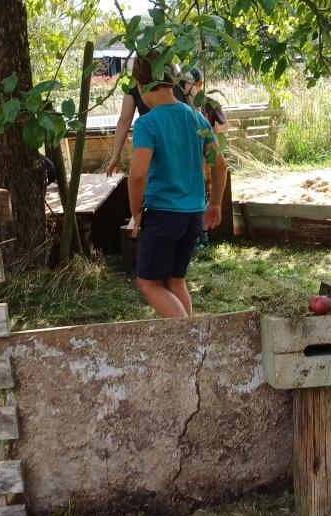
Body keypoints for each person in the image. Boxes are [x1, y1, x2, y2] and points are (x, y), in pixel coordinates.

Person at [128, 50, 227, 318]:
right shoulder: (196, 118)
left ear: (140, 85)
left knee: (149, 284)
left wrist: (136, 212)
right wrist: (215, 204)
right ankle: (192, 336)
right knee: (175, 281)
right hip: (193, 215)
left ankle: (191, 337)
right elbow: (219, 165)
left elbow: (137, 175)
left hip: (163, 215)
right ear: (173, 80)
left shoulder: (147, 123)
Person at [106, 62, 189, 176]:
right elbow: (197, 109)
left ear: (140, 85)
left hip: (150, 144)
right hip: (180, 144)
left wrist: (115, 155)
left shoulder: (135, 82)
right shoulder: (176, 77)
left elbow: (125, 119)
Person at [181, 67, 230, 251]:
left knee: (205, 192)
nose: (189, 89)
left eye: (191, 84)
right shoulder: (182, 104)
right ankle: (196, 236)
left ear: (199, 84)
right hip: (190, 156)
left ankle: (203, 236)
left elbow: (226, 125)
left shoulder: (210, 103)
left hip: (208, 154)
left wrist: (213, 130)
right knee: (196, 192)